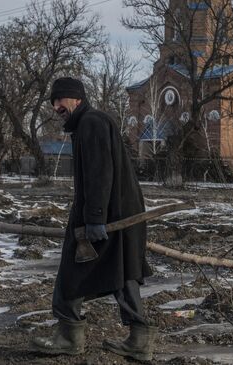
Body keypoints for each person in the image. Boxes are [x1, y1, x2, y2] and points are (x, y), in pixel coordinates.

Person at [31, 77, 156, 361]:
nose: (56, 106)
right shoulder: (89, 123)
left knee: (73, 271)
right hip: (118, 211)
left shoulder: (91, 123)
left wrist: (95, 218)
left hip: (108, 216)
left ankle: (68, 336)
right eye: (53, 102)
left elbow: (100, 172)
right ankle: (139, 339)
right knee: (121, 272)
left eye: (60, 100)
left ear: (76, 98)